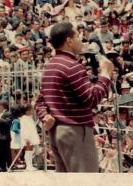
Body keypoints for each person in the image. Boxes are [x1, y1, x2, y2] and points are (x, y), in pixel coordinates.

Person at [35, 21, 115, 172]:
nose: (81, 40)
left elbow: (39, 101)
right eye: (77, 36)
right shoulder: (72, 66)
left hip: (57, 133)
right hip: (76, 132)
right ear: (69, 41)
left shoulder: (50, 66)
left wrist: (44, 115)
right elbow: (92, 99)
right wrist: (105, 74)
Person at [0, 100, 12, 171]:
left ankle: (8, 165)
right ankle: (2, 166)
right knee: (0, 151)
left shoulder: (8, 113)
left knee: (6, 151)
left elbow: (8, 122)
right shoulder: (0, 113)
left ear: (2, 106)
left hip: (5, 135)